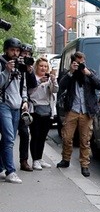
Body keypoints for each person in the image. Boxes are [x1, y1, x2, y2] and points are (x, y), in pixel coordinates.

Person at [56, 51, 100, 177]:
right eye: (77, 62)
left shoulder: (90, 72)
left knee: (85, 140)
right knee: (67, 137)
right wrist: (71, 72)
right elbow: (61, 86)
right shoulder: (70, 74)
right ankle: (66, 159)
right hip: (72, 109)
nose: (80, 64)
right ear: (73, 62)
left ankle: (84, 165)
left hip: (86, 111)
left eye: (82, 62)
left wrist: (88, 74)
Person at [0, 37, 29, 184]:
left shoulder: (20, 66)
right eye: (12, 50)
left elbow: (23, 86)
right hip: (3, 104)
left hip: (17, 106)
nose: (15, 53)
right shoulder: (1, 63)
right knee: (9, 138)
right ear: (6, 50)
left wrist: (25, 100)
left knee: (7, 139)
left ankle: (1, 166)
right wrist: (6, 71)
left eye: (17, 50)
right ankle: (10, 171)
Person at [28, 57, 58, 170]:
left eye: (45, 66)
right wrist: (39, 82)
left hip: (47, 110)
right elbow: (29, 92)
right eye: (41, 66)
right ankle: (35, 160)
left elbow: (55, 90)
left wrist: (54, 80)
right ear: (36, 66)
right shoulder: (33, 78)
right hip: (35, 109)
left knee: (43, 136)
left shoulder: (49, 79)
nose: (43, 68)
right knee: (35, 135)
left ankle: (40, 158)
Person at [17, 43, 37, 172]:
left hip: (23, 104)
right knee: (7, 135)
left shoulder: (28, 69)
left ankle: (24, 161)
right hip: (9, 102)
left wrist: (30, 71)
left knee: (25, 133)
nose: (26, 57)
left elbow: (33, 85)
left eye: (28, 55)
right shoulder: (14, 65)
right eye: (24, 54)